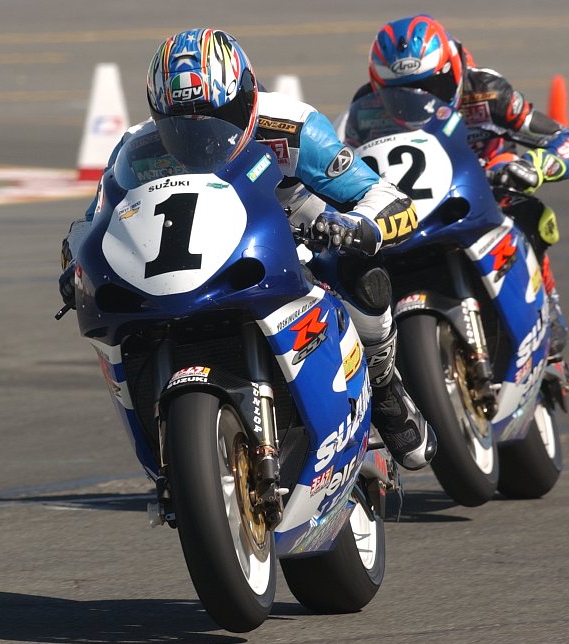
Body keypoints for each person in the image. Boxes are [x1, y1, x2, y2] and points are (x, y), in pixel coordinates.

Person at [59, 28, 436, 470]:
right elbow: (94, 220)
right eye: (181, 125)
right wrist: (75, 264)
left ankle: (384, 381)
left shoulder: (292, 126)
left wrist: (357, 226)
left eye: (217, 116)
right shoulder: (137, 147)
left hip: (291, 228)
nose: (200, 136)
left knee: (360, 272)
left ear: (247, 96)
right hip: (195, 250)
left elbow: (381, 194)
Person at [349, 14, 569, 360]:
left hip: (483, 180)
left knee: (526, 209)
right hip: (410, 197)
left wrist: (536, 166)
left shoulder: (486, 91)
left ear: (453, 70)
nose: (417, 99)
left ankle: (547, 301)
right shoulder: (364, 108)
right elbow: (351, 161)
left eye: (430, 87)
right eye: (399, 93)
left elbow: (568, 139)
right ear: (378, 86)